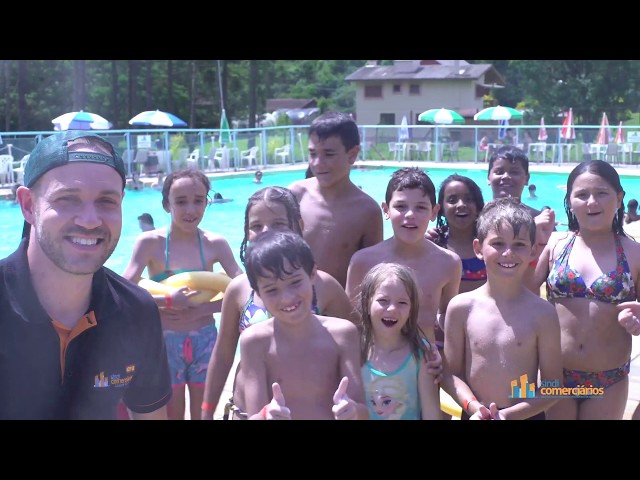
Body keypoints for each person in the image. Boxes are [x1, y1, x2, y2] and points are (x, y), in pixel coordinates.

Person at [1, 130, 171, 419]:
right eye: (67, 198)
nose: (91, 220)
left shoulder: (135, 311)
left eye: (107, 201)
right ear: (29, 205)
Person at [200, 186, 357, 419]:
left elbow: (356, 345)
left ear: (299, 226)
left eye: (278, 223)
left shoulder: (324, 287)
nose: (266, 231)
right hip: (249, 412)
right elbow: (223, 356)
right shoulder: (239, 289)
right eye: (256, 226)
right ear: (246, 233)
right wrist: (206, 411)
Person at [122, 168, 244, 420]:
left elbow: (243, 290)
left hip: (206, 341)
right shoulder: (149, 243)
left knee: (203, 414)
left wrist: (205, 308)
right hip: (166, 342)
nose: (190, 210)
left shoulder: (215, 244)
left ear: (207, 201)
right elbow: (124, 292)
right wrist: (167, 300)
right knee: (173, 414)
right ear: (167, 205)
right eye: (181, 201)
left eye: (198, 200)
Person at [531, 160, 640, 420]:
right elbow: (520, 293)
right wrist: (532, 243)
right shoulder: (557, 243)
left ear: (619, 197)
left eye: (602, 193)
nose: (592, 202)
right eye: (581, 195)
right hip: (555, 374)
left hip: (608, 378)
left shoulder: (634, 253)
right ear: (569, 201)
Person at [442, 197, 563, 420]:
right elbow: (451, 375)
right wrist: (474, 408)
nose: (508, 253)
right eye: (498, 243)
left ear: (533, 251)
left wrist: (509, 415)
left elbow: (553, 385)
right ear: (478, 248)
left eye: (519, 244)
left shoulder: (543, 313)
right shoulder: (461, 308)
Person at [239, 229, 369, 420]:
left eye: (295, 282)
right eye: (272, 290)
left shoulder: (343, 334)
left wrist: (353, 410)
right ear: (257, 293)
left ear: (313, 274)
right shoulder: (254, 342)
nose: (287, 298)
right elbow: (254, 415)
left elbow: (363, 412)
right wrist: (267, 414)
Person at [346, 167, 461, 353]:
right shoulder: (362, 262)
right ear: (386, 210)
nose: (410, 215)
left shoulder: (448, 263)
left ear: (434, 212)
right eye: (400, 206)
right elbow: (352, 323)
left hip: (424, 364)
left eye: (421, 207)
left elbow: (448, 319)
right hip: (375, 365)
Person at [288, 111, 383, 288]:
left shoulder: (367, 211)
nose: (317, 163)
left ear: (352, 154)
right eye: (312, 154)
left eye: (328, 154)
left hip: (337, 310)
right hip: (292, 303)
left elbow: (372, 273)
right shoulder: (295, 194)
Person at [357, 262, 442, 420]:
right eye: (383, 301)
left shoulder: (420, 354)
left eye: (402, 303)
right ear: (367, 304)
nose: (392, 309)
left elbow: (432, 413)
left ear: (411, 310)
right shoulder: (354, 351)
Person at [433, 174, 486, 295]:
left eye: (469, 199)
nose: (461, 204)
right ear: (440, 209)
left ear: (478, 206)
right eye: (452, 200)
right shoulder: (434, 246)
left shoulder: (489, 245)